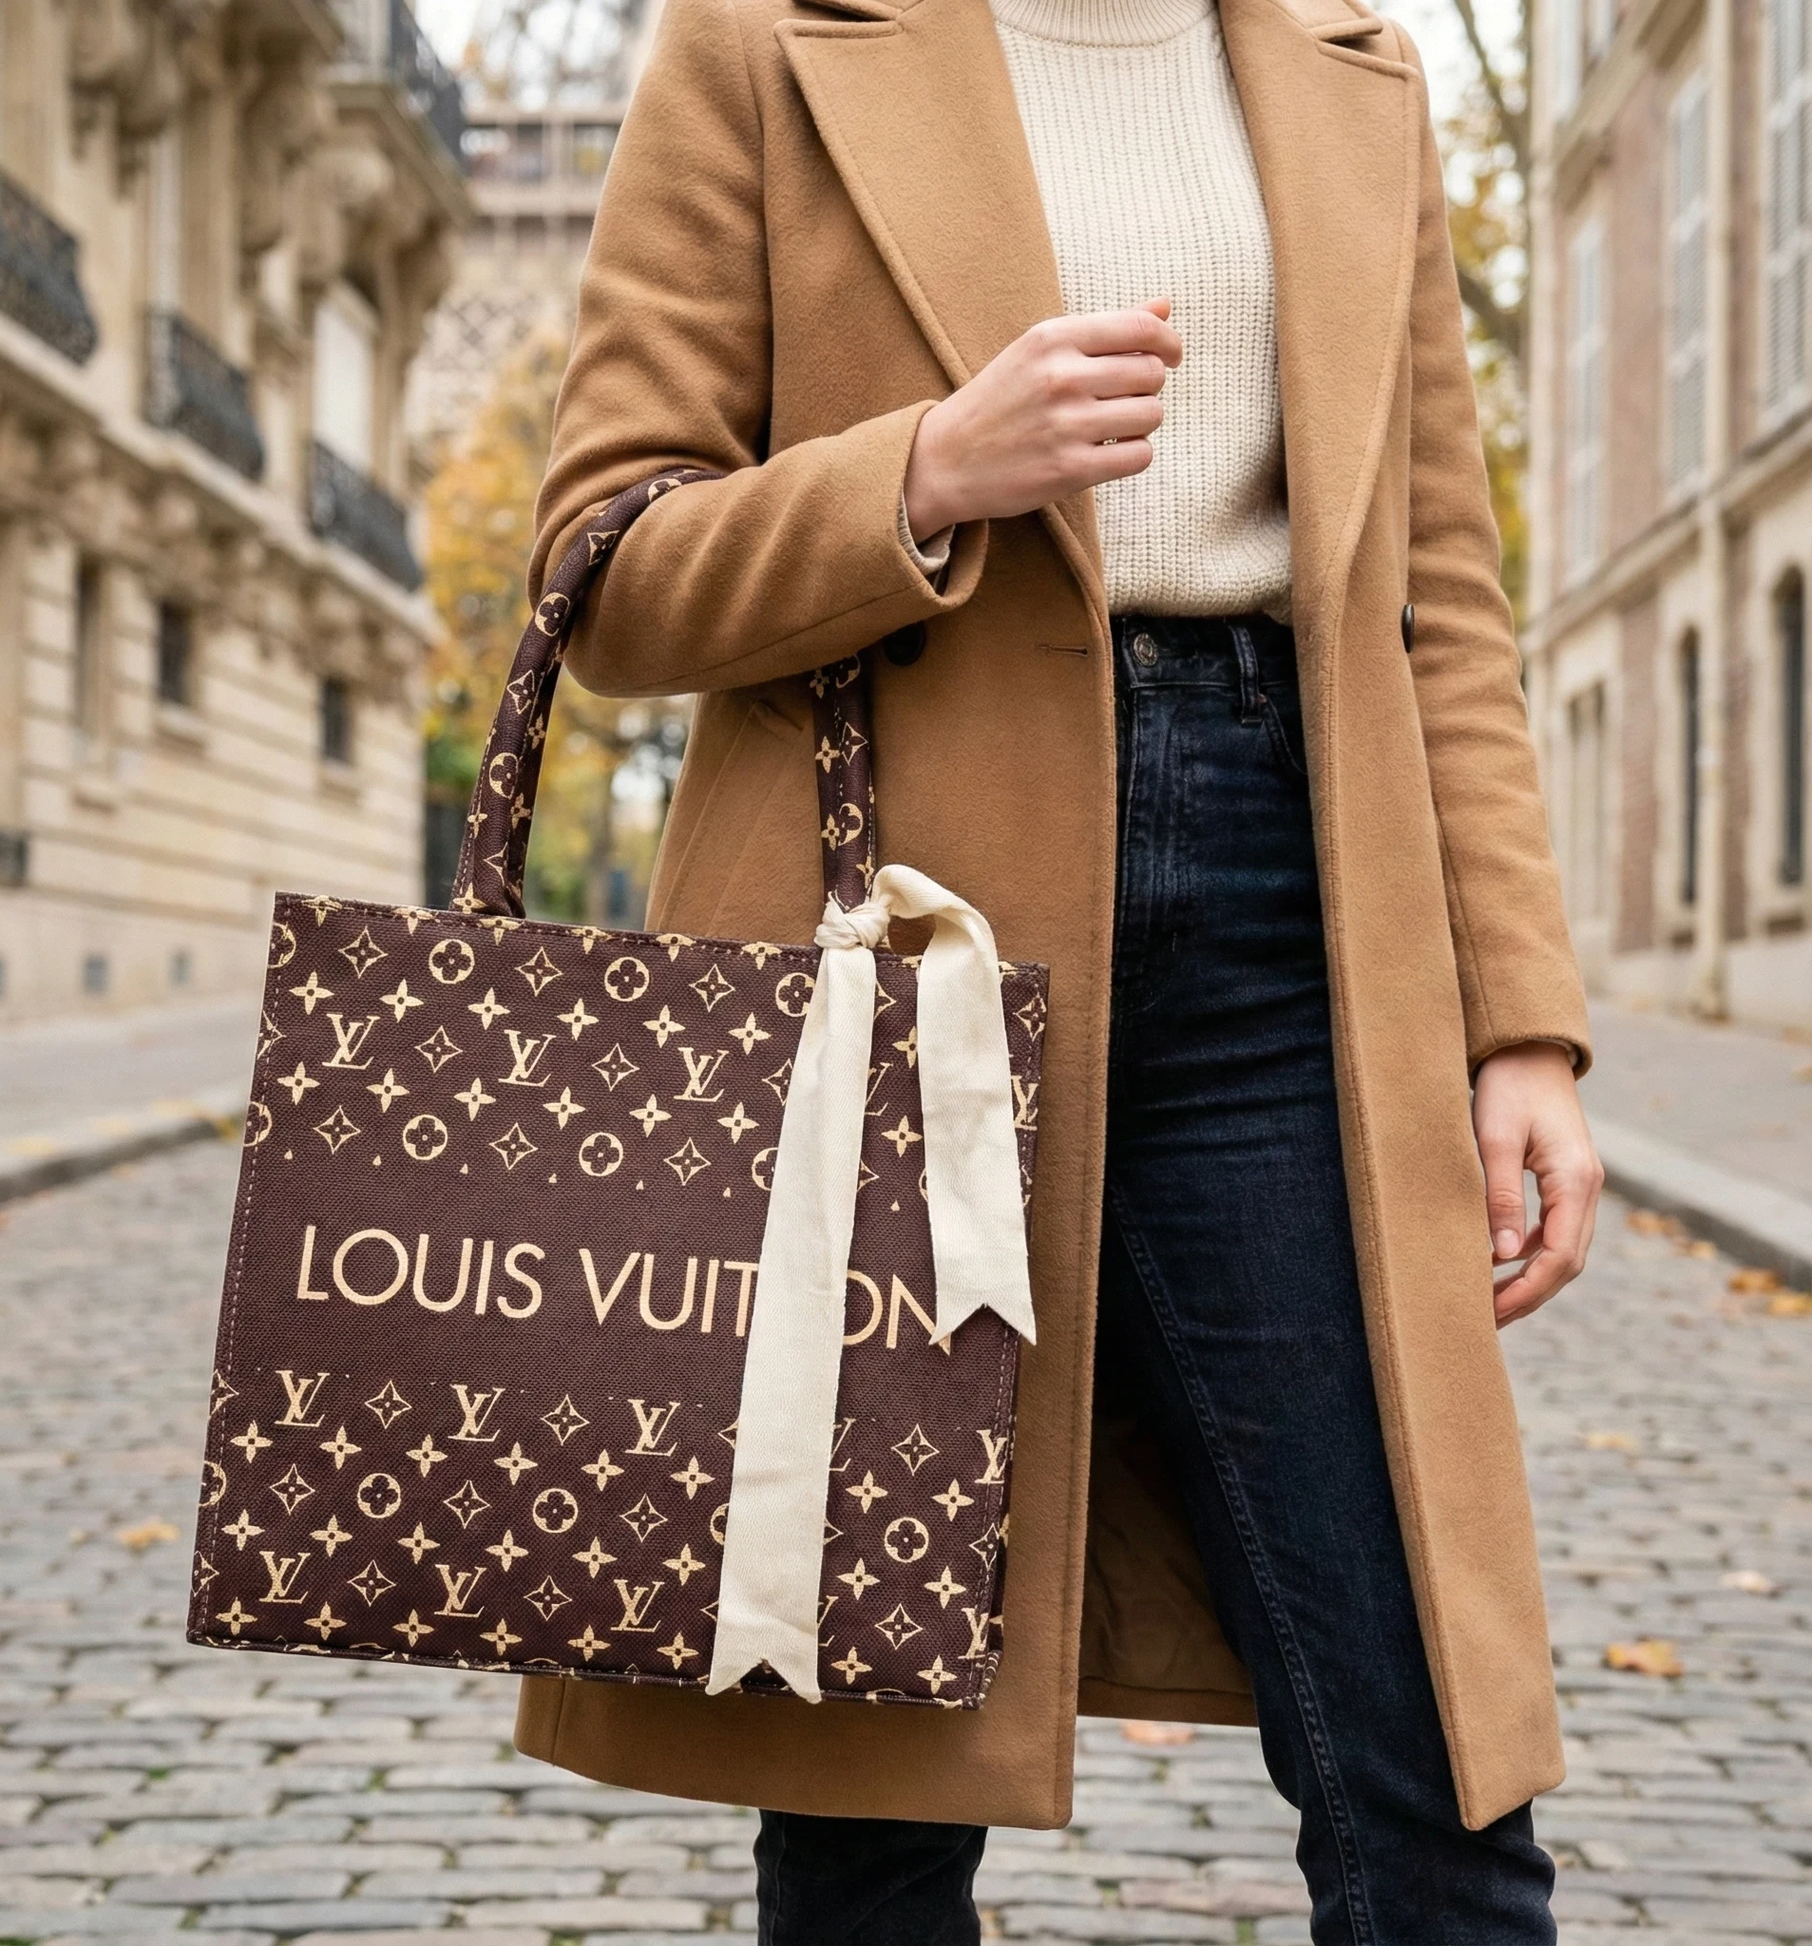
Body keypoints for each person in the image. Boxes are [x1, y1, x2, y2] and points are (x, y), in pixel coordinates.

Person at [515, 0, 1603, 1936]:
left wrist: (1518, 1015)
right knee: (866, 1778)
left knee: (1432, 1751)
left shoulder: (1354, 68)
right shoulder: (763, 41)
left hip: (1293, 929)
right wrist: (924, 469)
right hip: (886, 948)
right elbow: (600, 570)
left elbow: (1438, 598)